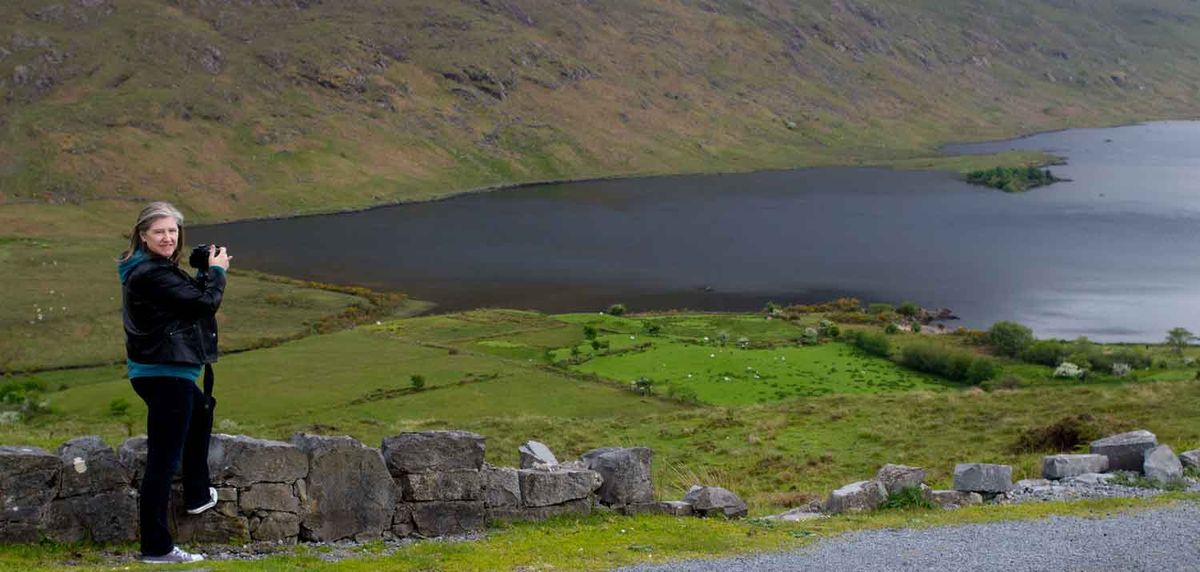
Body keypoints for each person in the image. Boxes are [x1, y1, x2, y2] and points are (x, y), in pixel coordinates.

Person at [117, 202, 230, 564]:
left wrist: (199, 274)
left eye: (172, 231)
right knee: (162, 462)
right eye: (159, 232)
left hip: (162, 370)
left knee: (200, 411)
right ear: (142, 235)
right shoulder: (150, 272)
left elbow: (184, 303)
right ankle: (157, 547)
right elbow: (203, 305)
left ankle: (197, 492)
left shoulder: (152, 268)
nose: (168, 238)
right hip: (164, 373)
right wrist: (217, 272)